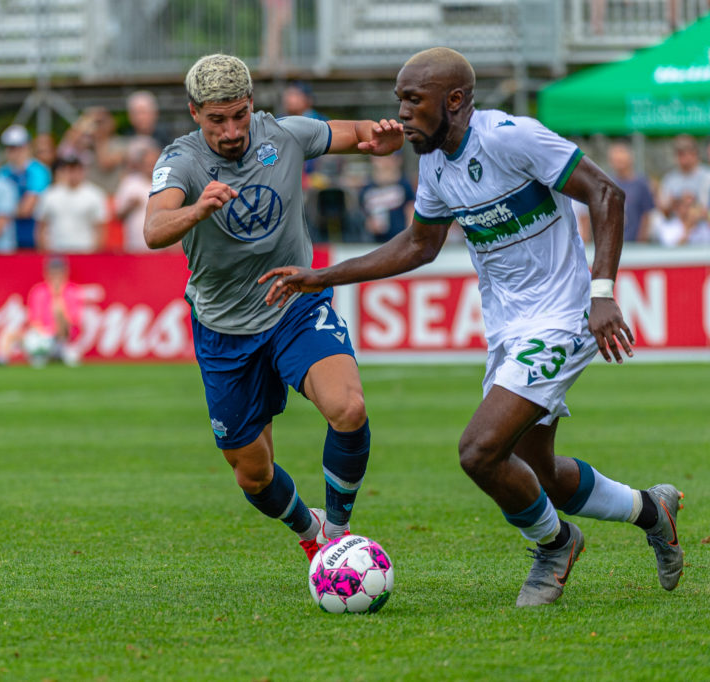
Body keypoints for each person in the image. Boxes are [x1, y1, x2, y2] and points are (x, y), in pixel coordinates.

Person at [260, 47, 683, 606]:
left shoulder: (512, 138)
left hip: (562, 317)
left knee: (479, 451)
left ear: (454, 101)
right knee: (541, 474)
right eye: (399, 101)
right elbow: (419, 245)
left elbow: (607, 193)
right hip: (509, 328)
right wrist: (323, 277)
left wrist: (602, 293)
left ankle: (556, 545)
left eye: (413, 100)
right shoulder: (434, 164)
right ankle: (653, 510)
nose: (403, 113)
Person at [143, 54, 403, 565]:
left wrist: (381, 138)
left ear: (252, 106)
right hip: (223, 328)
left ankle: (339, 534)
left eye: (239, 115)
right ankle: (310, 531)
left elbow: (353, 132)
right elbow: (153, 230)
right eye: (217, 119)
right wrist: (197, 208)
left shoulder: (283, 134)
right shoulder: (182, 161)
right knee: (253, 473)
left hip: (294, 304)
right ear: (195, 113)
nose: (232, 130)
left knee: (348, 408)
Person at [0, 255, 83, 368]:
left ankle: (56, 351)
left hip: (63, 336)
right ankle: (1, 359)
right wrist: (42, 335)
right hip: (42, 335)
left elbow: (71, 322)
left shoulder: (73, 291)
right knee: (11, 333)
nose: (56, 275)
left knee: (59, 315)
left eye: (59, 271)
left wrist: (57, 296)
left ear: (65, 272)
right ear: (47, 272)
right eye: (53, 271)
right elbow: (34, 320)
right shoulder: (38, 291)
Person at [34, 152, 108, 253]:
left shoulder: (95, 195)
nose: (73, 173)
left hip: (85, 251)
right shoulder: (50, 195)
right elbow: (41, 227)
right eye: (70, 169)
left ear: (83, 170)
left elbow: (100, 229)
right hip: (57, 252)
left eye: (77, 168)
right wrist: (45, 251)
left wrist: (94, 254)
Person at [0, 124, 52, 250]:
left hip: (32, 233)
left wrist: (2, 211)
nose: (13, 151)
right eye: (10, 147)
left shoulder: (39, 170)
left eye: (17, 147)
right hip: (6, 236)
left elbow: (27, 209)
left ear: (27, 146)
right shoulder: (2, 172)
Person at [114, 136, 163, 252]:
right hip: (135, 247)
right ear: (140, 164)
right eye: (147, 163)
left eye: (153, 163)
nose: (150, 167)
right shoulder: (129, 183)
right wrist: (130, 206)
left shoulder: (169, 184)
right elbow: (118, 215)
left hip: (163, 248)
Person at [358, 152, 415, 243]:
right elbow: (363, 215)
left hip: (399, 241)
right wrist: (369, 224)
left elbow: (411, 211)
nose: (385, 162)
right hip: (375, 242)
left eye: (390, 158)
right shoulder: (367, 189)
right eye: (382, 158)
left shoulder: (404, 185)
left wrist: (409, 238)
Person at [606, 141, 655, 243]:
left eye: (621, 160)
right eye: (616, 160)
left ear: (630, 160)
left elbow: (647, 215)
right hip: (613, 243)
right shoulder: (607, 184)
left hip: (635, 243)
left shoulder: (641, 184)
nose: (619, 163)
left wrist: (642, 241)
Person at [658, 134, 710, 213]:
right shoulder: (669, 178)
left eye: (685, 153)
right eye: (679, 153)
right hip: (675, 222)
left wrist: (693, 203)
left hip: (704, 223)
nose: (682, 158)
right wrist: (676, 202)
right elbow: (663, 208)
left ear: (695, 153)